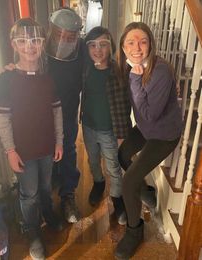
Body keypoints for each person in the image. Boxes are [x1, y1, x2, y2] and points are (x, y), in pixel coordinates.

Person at [0, 18, 63, 260]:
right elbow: (2, 118)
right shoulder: (6, 79)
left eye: (35, 40)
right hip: (22, 149)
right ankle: (33, 231)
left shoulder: (47, 77)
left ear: (42, 44)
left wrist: (60, 141)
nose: (29, 46)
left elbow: (56, 110)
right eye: (23, 41)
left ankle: (48, 213)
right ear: (14, 44)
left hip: (46, 145)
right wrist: (10, 151)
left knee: (45, 186)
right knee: (29, 192)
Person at [115, 22, 183, 259]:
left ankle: (134, 232)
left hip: (164, 134)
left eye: (142, 41)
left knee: (128, 182)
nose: (137, 47)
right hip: (146, 128)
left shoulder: (160, 70)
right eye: (130, 42)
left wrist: (135, 80)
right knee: (122, 155)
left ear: (151, 44)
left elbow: (149, 115)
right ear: (123, 47)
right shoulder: (130, 66)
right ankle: (146, 191)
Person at [80, 26, 132, 225]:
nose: (98, 49)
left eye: (103, 44)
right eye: (92, 45)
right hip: (88, 127)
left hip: (110, 130)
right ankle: (98, 183)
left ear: (111, 47)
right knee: (93, 160)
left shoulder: (120, 70)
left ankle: (117, 199)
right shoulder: (85, 69)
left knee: (113, 166)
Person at [45, 8, 83, 223]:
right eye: (59, 34)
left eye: (70, 37)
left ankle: (68, 194)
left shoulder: (82, 51)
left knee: (68, 149)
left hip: (68, 111)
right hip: (42, 113)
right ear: (51, 30)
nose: (64, 40)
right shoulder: (39, 50)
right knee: (44, 152)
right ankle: (46, 195)